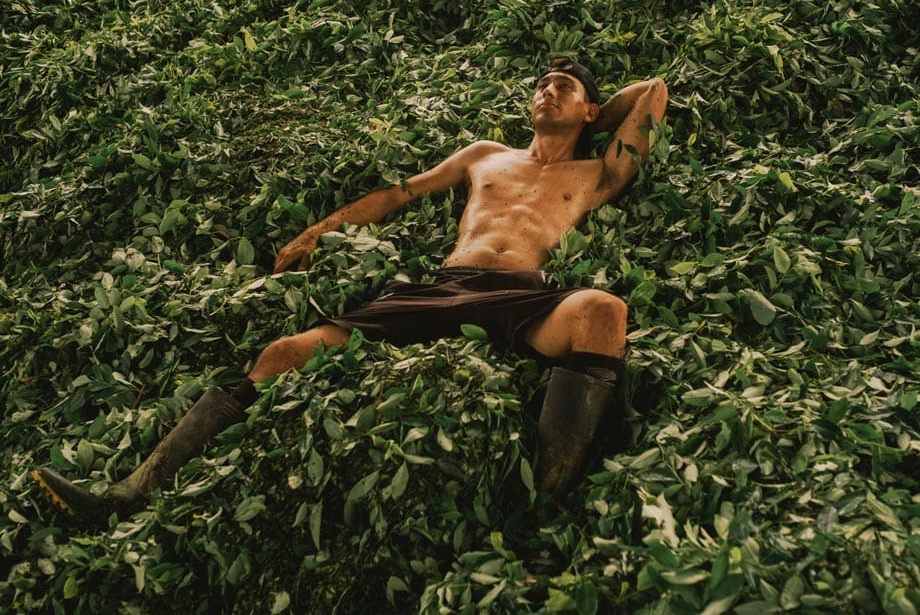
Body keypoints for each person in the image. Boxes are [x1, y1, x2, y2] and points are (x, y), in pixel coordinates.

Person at [33, 58, 669, 525]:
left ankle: (545, 508)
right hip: (442, 288)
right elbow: (400, 194)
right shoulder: (486, 155)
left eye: (563, 88)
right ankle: (127, 493)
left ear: (591, 110)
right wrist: (321, 228)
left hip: (520, 295)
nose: (546, 91)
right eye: (541, 85)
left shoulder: (598, 170)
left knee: (602, 310)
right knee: (283, 353)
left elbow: (653, 92)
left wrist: (590, 102)